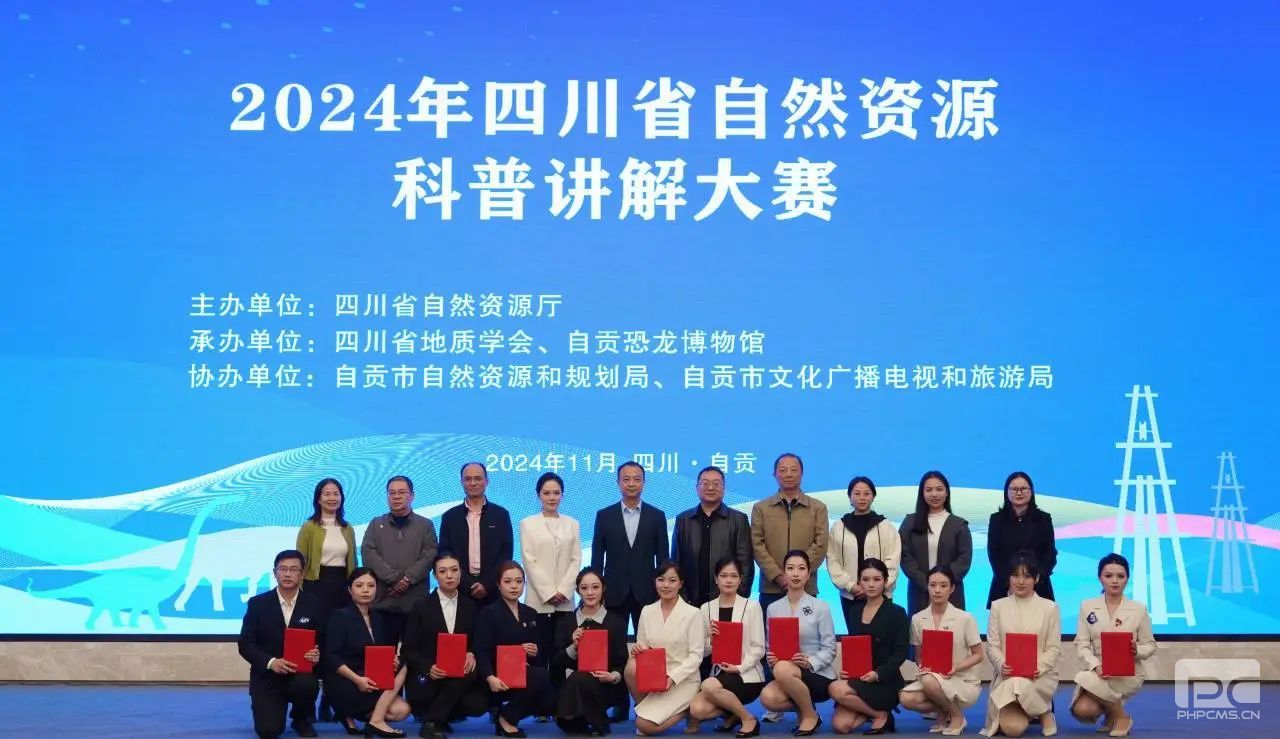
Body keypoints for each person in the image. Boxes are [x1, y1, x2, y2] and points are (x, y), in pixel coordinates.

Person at [401, 553, 491, 739]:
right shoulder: (421, 607)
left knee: (477, 699)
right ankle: (435, 720)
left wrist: (471, 653)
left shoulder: (471, 606)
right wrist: (428, 667)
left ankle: (436, 719)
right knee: (448, 681)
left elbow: (477, 641)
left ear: (460, 573)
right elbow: (408, 649)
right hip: (429, 676)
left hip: (459, 676)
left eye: (454, 570)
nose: (449, 576)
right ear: (435, 576)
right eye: (443, 571)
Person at [238, 549, 324, 739]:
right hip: (267, 675)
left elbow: (323, 641)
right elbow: (246, 644)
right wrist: (271, 662)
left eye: (293, 569)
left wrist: (318, 654)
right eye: (282, 569)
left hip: (300, 673)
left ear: (302, 574)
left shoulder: (314, 604)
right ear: (274, 572)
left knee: (307, 684)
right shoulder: (258, 604)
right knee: (268, 731)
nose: (287, 574)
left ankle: (300, 718)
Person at [1068, 554, 1156, 738]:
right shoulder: (1087, 606)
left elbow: (1150, 645)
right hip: (1098, 671)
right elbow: (1082, 644)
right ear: (1100, 577)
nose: (1114, 581)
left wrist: (1137, 650)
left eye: (1120, 576)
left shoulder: (1138, 609)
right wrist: (1096, 666)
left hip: (1128, 673)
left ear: (1127, 579)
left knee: (1083, 679)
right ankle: (1112, 715)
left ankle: (1121, 718)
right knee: (1083, 710)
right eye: (1108, 576)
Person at [297, 477, 359, 724]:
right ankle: (307, 704)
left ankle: (329, 702)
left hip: (342, 590)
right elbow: (299, 563)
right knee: (315, 645)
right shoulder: (309, 527)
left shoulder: (348, 528)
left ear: (342, 498)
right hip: (315, 588)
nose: (332, 498)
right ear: (318, 498)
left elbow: (353, 562)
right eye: (327, 493)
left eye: (336, 493)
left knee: (337, 645)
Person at [324, 568, 413, 738]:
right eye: (359, 585)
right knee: (396, 705)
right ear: (350, 590)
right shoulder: (340, 616)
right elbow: (331, 657)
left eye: (371, 586)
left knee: (402, 710)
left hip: (370, 679)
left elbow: (378, 653)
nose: (366, 590)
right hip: (347, 681)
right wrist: (357, 680)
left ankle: (363, 716)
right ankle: (375, 721)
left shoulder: (378, 618)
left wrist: (391, 660)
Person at [981, 551, 1061, 738]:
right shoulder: (998, 606)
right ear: (1008, 578)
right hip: (1007, 676)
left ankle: (1042, 712)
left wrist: (1038, 666)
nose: (1020, 581)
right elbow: (992, 645)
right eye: (1015, 575)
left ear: (1037, 578)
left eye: (1027, 576)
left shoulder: (1050, 608)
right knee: (1012, 729)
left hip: (1038, 677)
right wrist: (1001, 664)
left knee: (1019, 683)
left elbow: (1053, 648)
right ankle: (1037, 710)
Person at [898, 566, 984, 736]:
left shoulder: (965, 618)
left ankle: (957, 716)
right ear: (927, 586)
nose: (937, 590)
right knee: (905, 698)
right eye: (933, 585)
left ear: (952, 588)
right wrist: (923, 666)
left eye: (943, 585)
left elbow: (978, 655)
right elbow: (919, 656)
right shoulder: (917, 619)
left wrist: (955, 667)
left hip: (960, 679)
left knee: (929, 681)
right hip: (931, 678)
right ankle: (944, 711)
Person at [624, 561, 707, 736]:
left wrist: (672, 678)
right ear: (655, 582)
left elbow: (696, 656)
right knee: (631, 665)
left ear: (680, 583)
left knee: (643, 725)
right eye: (661, 580)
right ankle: (645, 708)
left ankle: (687, 710)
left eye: (672, 580)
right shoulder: (647, 611)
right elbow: (643, 645)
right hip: (655, 677)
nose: (666, 585)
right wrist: (639, 650)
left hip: (682, 679)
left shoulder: (693, 613)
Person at [759, 550, 836, 737]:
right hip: (786, 673)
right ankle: (807, 709)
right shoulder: (773, 608)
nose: (795, 573)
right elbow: (770, 647)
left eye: (801, 569)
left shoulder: (821, 607)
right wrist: (772, 659)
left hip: (817, 673)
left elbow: (830, 649)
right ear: (784, 573)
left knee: (782, 669)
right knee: (768, 698)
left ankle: (809, 715)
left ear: (808, 574)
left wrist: (810, 661)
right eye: (790, 568)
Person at [475, 561, 556, 738]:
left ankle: (507, 714)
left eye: (519, 581)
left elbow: (539, 656)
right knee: (540, 676)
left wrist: (534, 651)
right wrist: (490, 677)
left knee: (550, 698)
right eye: (508, 581)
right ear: (498, 585)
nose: (514, 586)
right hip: (497, 674)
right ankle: (506, 719)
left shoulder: (530, 613)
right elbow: (481, 651)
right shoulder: (488, 613)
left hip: (524, 673)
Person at [829, 559, 909, 735]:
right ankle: (880, 714)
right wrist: (848, 670)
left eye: (876, 579)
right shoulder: (854, 611)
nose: (871, 585)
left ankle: (879, 710)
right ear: (859, 582)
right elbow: (854, 647)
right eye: (865, 580)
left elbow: (901, 652)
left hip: (885, 680)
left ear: (885, 581)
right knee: (841, 726)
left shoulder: (897, 612)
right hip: (860, 678)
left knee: (835, 688)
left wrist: (878, 674)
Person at [687, 557, 766, 737]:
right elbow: (701, 652)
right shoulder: (706, 608)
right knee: (697, 710)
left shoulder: (752, 606)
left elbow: (759, 648)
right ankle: (733, 714)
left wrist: (739, 667)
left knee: (708, 686)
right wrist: (711, 640)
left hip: (747, 673)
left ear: (740, 579)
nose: (728, 580)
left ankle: (748, 719)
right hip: (719, 673)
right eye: (723, 576)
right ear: (716, 579)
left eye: (733, 576)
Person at [591, 461, 670, 633]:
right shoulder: (604, 516)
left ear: (644, 483)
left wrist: (662, 591)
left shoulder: (657, 516)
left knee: (649, 641)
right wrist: (597, 591)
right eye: (626, 479)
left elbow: (663, 560)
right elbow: (597, 558)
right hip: (613, 593)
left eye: (637, 479)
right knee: (613, 643)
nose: (632, 484)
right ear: (618, 483)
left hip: (647, 593)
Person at [520, 473, 582, 689]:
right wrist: (548, 593)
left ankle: (559, 700)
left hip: (565, 601)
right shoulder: (527, 524)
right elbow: (529, 560)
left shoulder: (572, 524)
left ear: (562, 495)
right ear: (538, 495)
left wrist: (563, 591)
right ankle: (540, 702)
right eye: (546, 493)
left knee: (561, 653)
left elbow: (576, 560)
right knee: (539, 653)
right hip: (538, 601)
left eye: (556, 493)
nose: (552, 497)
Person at [361, 475, 439, 647]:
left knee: (414, 653)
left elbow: (430, 554)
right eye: (392, 493)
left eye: (401, 492)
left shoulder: (425, 525)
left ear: (412, 496)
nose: (396, 497)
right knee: (381, 654)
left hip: (414, 603)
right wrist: (394, 579)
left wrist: (408, 579)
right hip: (382, 602)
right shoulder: (376, 524)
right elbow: (368, 553)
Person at [551, 567, 630, 736]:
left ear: (603, 588)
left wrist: (613, 676)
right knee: (568, 720)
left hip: (605, 685)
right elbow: (556, 663)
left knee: (581, 677)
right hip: (572, 690)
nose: (590, 592)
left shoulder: (616, 622)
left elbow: (622, 661)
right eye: (584, 588)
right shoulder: (566, 622)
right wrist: (573, 647)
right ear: (577, 591)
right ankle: (595, 720)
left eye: (595, 587)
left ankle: (598, 722)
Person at [750, 453, 829, 616]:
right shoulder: (761, 508)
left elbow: (820, 545)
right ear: (775, 474)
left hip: (806, 587)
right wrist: (778, 576)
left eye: (793, 470)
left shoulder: (817, 508)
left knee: (806, 631)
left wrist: (799, 574)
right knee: (771, 632)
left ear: (802, 473)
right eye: (783, 470)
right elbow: (757, 546)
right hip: (771, 587)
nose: (788, 474)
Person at [827, 476, 901, 633]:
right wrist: (850, 586)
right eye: (857, 493)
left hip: (881, 595)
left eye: (866, 493)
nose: (862, 498)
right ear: (849, 497)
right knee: (856, 640)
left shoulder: (886, 526)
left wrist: (879, 586)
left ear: (873, 496)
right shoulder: (838, 527)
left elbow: (893, 559)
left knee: (882, 639)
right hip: (851, 595)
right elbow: (833, 560)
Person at [672, 466, 754, 607]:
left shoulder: (738, 519)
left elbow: (746, 564)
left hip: (727, 600)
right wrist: (682, 598)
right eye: (705, 483)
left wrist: (738, 599)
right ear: (697, 488)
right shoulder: (683, 520)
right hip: (689, 602)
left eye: (716, 483)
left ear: (724, 488)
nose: (710, 488)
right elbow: (676, 562)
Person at [439, 462, 514, 610]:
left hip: (493, 590)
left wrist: (487, 583)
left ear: (487, 481)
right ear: (461, 482)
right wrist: (467, 583)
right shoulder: (450, 516)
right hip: (459, 589)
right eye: (468, 479)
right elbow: (445, 553)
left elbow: (505, 554)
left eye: (478, 478)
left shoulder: (501, 515)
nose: (473, 483)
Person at [899, 471, 973, 615]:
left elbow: (964, 559)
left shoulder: (959, 525)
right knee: (919, 628)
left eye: (939, 489)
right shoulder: (910, 523)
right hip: (919, 591)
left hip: (952, 592)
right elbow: (905, 557)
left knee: (952, 628)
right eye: (929, 490)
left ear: (947, 493)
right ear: (922, 493)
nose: (934, 494)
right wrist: (927, 583)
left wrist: (942, 583)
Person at [985, 472, 1057, 608]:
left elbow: (1049, 554)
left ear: (1031, 491)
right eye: (1014, 489)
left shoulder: (1043, 519)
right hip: (1004, 589)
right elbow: (995, 555)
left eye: (1023, 489)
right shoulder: (997, 520)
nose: (1019, 493)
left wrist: (1033, 581)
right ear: (1006, 492)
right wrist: (1010, 583)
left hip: (1039, 588)